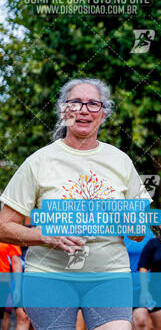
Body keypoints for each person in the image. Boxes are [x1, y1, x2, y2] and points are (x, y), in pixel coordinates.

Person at [0, 78, 151, 330]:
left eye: (93, 104)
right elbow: (4, 227)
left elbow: (138, 232)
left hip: (109, 276)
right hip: (49, 277)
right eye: (75, 102)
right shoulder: (39, 161)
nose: (84, 109)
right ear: (63, 111)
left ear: (103, 114)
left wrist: (119, 216)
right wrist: (46, 235)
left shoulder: (120, 161)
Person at [124, 228, 156, 330]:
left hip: (141, 285)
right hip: (121, 285)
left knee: (141, 321)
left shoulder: (149, 234)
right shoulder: (116, 231)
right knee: (124, 324)